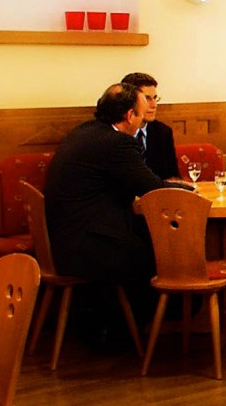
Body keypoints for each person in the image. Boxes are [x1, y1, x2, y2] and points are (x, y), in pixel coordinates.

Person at [44, 83, 190, 285]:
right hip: (86, 250)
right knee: (165, 253)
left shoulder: (85, 131)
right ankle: (161, 314)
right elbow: (153, 189)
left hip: (64, 241)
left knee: (148, 235)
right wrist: (189, 190)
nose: (141, 123)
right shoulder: (117, 143)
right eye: (140, 117)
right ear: (130, 116)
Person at [120, 72, 180, 180]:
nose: (154, 105)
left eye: (155, 98)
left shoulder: (163, 132)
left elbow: (172, 176)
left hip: (157, 194)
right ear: (129, 100)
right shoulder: (115, 132)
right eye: (147, 98)